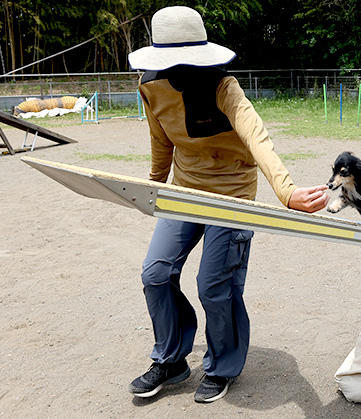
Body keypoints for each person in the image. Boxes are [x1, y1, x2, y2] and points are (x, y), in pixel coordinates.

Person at [125, 6, 329, 402]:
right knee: (155, 272)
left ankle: (223, 366)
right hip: (185, 191)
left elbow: (257, 137)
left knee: (214, 285)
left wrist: (287, 192)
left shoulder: (223, 86)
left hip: (232, 194)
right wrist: (151, 188)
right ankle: (171, 360)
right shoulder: (149, 85)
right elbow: (161, 141)